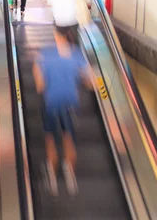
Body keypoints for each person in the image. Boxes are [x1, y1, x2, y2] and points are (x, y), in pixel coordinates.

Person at [33, 27, 95, 196]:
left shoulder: (45, 54)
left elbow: (39, 86)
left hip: (51, 102)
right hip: (70, 103)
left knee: (50, 140)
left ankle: (52, 179)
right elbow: (90, 82)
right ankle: (70, 177)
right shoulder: (76, 54)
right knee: (69, 139)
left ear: (55, 35)